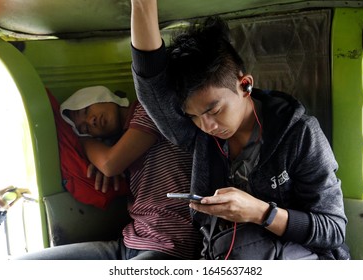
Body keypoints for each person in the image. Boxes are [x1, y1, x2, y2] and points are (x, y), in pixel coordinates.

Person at [130, 0, 350, 259]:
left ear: (245, 85)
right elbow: (151, 83)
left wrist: (261, 213)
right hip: (224, 253)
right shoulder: (198, 134)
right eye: (194, 116)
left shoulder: (300, 134)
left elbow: (333, 229)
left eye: (214, 110)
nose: (207, 126)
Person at [16, 85, 202, 260]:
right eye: (85, 129)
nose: (91, 121)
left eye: (86, 111)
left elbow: (110, 163)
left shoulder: (148, 109)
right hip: (130, 242)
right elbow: (109, 165)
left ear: (102, 95)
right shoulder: (118, 145)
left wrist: (82, 140)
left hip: (172, 244)